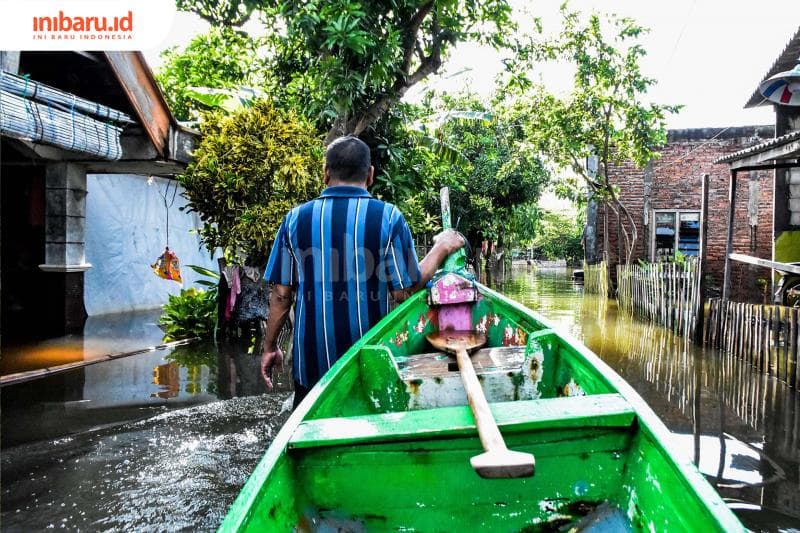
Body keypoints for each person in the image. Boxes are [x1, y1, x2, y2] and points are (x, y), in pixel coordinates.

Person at [260, 136, 464, 408]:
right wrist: (441, 247)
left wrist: (269, 347)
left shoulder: (295, 219)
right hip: (369, 362)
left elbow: (281, 296)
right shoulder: (388, 217)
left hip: (312, 368)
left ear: (325, 173)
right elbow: (406, 289)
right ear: (370, 175)